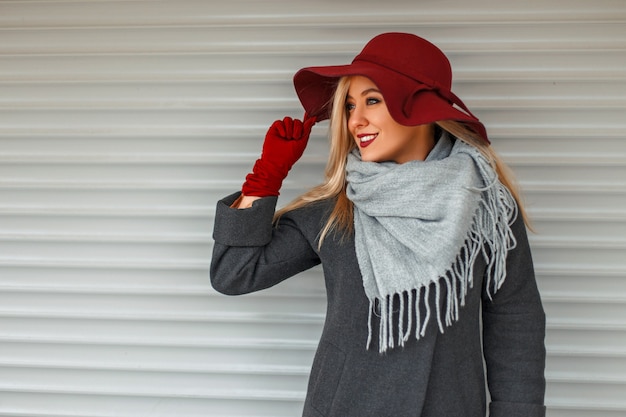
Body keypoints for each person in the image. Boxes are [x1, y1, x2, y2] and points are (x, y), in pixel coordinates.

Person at [210, 32, 546, 417]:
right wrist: (265, 178)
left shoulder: (486, 205)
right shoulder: (337, 208)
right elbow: (233, 274)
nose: (356, 120)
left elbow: (516, 322)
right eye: (350, 106)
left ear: (419, 109)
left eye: (372, 100)